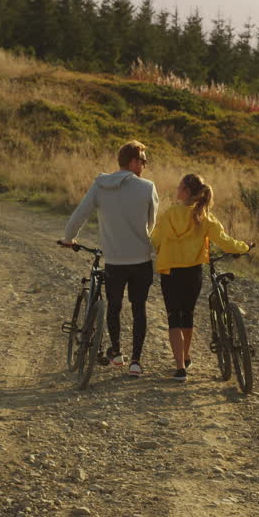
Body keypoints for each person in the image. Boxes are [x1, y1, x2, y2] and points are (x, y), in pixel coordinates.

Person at [60, 140, 158, 377]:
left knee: (113, 306)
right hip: (141, 259)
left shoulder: (100, 185)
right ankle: (135, 361)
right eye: (143, 160)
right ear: (133, 162)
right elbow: (152, 223)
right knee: (139, 308)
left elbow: (80, 214)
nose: (144, 165)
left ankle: (116, 353)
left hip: (114, 259)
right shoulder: (147, 187)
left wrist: (69, 238)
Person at [150, 173, 249, 382]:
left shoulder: (169, 214)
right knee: (188, 314)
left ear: (185, 192)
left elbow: (156, 240)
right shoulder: (204, 217)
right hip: (193, 271)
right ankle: (185, 356)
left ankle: (179, 368)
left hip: (171, 271)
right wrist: (244, 247)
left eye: (179, 187)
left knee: (173, 317)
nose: (176, 190)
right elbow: (224, 240)